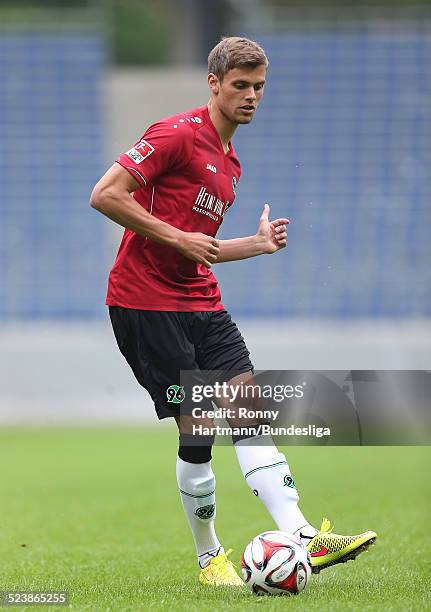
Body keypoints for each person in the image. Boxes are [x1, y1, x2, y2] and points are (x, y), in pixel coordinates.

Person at [90, 36, 376, 586]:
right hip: (144, 304)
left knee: (248, 408)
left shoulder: (230, 162)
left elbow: (205, 248)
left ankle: (303, 537)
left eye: (259, 87)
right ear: (213, 83)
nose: (250, 96)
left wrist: (258, 243)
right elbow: (105, 194)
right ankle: (208, 557)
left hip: (201, 301)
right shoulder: (174, 135)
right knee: (198, 431)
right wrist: (177, 237)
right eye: (240, 85)